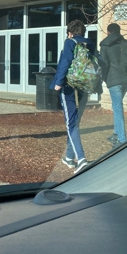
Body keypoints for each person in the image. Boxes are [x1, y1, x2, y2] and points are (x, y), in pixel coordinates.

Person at [50, 19, 96, 174]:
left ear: (70, 33)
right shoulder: (89, 43)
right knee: (75, 122)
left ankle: (81, 159)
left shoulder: (70, 42)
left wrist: (58, 82)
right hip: (84, 87)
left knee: (71, 123)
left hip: (69, 87)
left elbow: (65, 62)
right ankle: (69, 157)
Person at [100, 23, 127, 148]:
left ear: (108, 32)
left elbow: (103, 64)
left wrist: (103, 79)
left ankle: (122, 139)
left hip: (115, 80)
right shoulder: (125, 43)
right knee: (116, 106)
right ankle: (116, 133)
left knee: (118, 108)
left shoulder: (106, 44)